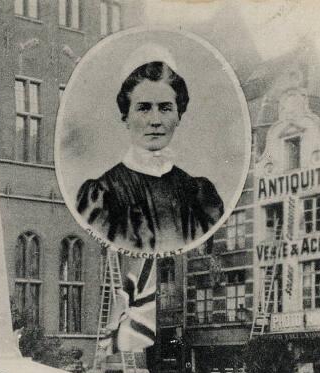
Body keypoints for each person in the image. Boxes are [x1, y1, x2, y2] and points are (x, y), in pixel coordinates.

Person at [76, 45, 223, 252]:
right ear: (125, 117)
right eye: (144, 108)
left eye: (165, 108)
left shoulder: (199, 195)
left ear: (178, 116)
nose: (155, 121)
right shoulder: (102, 195)